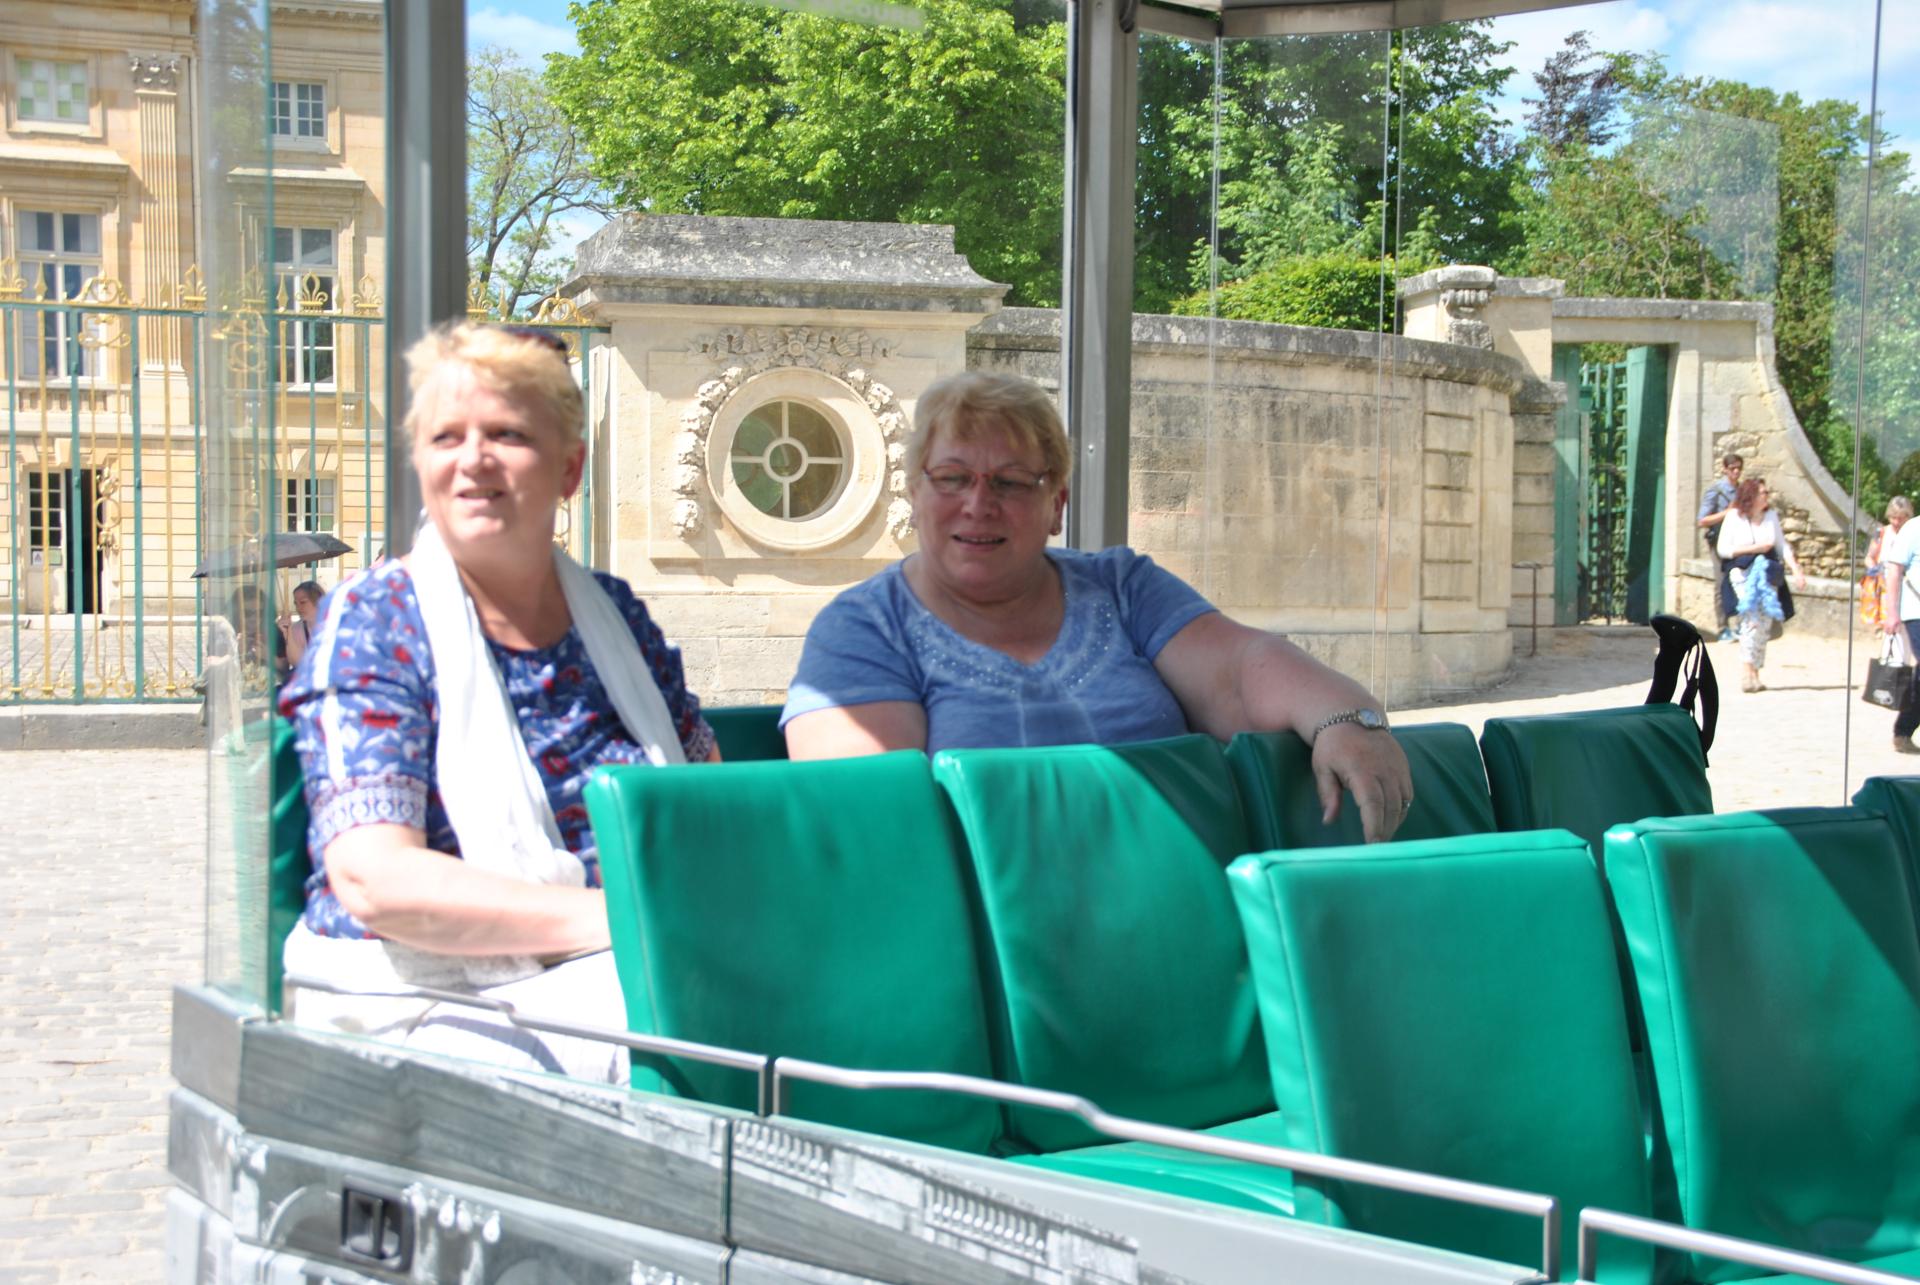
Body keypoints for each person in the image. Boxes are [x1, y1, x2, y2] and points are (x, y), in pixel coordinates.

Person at [278, 322, 717, 1082]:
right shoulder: (375, 620)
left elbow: (707, 795)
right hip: (425, 1000)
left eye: (507, 434)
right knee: (702, 1013)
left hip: (633, 961)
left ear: (569, 469)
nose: (473, 459)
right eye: (446, 436)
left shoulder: (616, 616)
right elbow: (376, 881)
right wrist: (633, 921)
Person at [781, 371, 1414, 842]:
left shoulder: (1121, 585)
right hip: (990, 939)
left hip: (1182, 894)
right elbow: (875, 827)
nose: (978, 504)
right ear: (916, 493)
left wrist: (1345, 719)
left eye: (1010, 482)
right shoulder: (862, 629)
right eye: (952, 478)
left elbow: (1241, 669)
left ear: (1056, 505)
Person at [1715, 475, 1805, 694]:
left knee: (1764, 624)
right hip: (1743, 573)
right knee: (1751, 620)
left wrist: (1796, 569)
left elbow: (1782, 546)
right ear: (1751, 496)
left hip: (1767, 574)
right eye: (1762, 493)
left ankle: (1755, 670)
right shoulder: (1734, 517)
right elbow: (1723, 549)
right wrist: (1754, 549)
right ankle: (1747, 671)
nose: (1766, 496)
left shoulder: (1771, 516)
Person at [1883, 501, 1920, 753]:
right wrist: (1892, 612)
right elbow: (1894, 571)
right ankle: (1904, 729)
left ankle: (1905, 729)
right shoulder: (1913, 528)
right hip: (1916, 611)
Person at [1697, 453, 1744, 640]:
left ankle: (1741, 624)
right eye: (1732, 468)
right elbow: (1702, 520)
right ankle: (1723, 627)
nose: (1736, 472)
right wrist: (1728, 512)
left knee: (1741, 580)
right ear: (1725, 469)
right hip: (1718, 542)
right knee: (1721, 582)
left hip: (1739, 541)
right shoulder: (1715, 491)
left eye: (1739, 468)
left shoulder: (1742, 490)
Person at [1862, 497, 1912, 635]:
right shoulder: (1881, 533)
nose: (1896, 522)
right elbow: (1869, 558)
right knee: (1888, 627)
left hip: (1907, 587)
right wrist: (1875, 569)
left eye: (1900, 518)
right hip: (1885, 587)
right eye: (1893, 518)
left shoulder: (1913, 535)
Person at [280, 578, 324, 670]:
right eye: (296, 603)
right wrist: (288, 634)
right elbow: (296, 663)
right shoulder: (297, 628)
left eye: (303, 602)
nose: (298, 608)